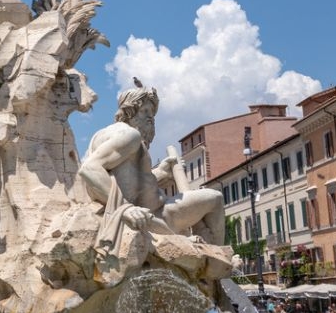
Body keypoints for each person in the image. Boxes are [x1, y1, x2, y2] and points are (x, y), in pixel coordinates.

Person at [78, 84, 226, 258]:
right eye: (145, 111)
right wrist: (125, 208)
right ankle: (217, 265)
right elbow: (89, 169)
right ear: (129, 112)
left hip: (148, 210)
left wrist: (161, 173)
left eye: (152, 113)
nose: (151, 118)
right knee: (215, 198)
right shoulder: (130, 136)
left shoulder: (108, 135)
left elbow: (129, 181)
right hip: (157, 216)